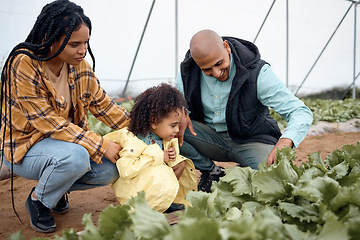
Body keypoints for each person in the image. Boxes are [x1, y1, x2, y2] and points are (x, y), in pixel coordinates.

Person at [0, 0, 129, 233]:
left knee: (110, 169)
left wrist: (146, 127)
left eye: (86, 42)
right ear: (49, 38)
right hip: (24, 148)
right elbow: (47, 122)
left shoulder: (80, 67)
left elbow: (106, 108)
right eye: (74, 44)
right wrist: (98, 144)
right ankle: (39, 200)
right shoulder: (24, 64)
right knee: (77, 157)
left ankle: (55, 190)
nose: (82, 50)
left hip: (63, 146)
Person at [176, 29, 313, 192]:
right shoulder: (188, 73)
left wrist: (285, 141)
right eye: (207, 70)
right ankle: (211, 171)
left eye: (219, 63)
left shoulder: (257, 73)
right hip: (209, 138)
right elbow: (175, 106)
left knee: (271, 181)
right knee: (167, 127)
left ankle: (246, 168)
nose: (216, 73)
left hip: (250, 140)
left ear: (226, 47)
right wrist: (181, 111)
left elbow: (300, 111)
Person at [104, 83, 197, 213]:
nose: (177, 130)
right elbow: (127, 170)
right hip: (134, 189)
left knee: (179, 164)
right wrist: (160, 155)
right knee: (161, 171)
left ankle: (166, 199)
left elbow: (165, 159)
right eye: (173, 125)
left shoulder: (162, 136)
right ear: (154, 122)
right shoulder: (134, 139)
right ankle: (148, 206)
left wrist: (170, 155)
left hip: (151, 180)